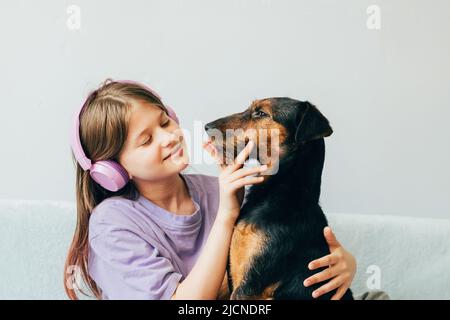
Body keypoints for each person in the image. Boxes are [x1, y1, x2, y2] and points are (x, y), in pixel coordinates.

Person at [64, 79, 360, 300]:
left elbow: (278, 261)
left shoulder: (217, 190)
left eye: (165, 122)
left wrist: (346, 264)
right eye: (146, 140)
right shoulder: (112, 223)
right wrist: (227, 214)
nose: (167, 138)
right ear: (114, 169)